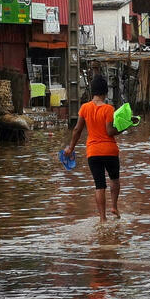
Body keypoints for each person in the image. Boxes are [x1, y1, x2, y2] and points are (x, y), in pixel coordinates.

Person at [64, 76, 124, 222]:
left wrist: (70, 148)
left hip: (93, 152)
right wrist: (125, 127)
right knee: (114, 180)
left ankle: (102, 218)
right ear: (105, 91)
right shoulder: (109, 109)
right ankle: (114, 206)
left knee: (99, 185)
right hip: (110, 151)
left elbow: (77, 129)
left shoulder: (84, 108)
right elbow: (110, 131)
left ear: (92, 91)